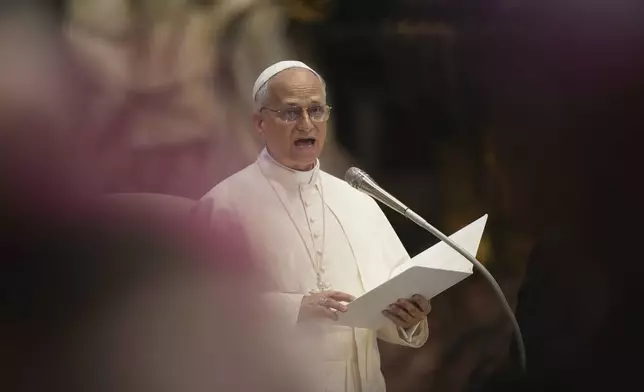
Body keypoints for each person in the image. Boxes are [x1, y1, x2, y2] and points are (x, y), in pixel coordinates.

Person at [202, 60, 431, 392]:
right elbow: (201, 312)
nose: (306, 123)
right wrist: (293, 308)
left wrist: (410, 318)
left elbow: (392, 296)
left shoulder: (358, 203)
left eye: (316, 110)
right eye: (291, 113)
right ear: (260, 122)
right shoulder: (224, 205)